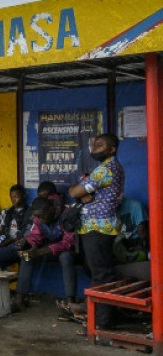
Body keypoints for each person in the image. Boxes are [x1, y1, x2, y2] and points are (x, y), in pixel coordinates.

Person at [69, 133, 125, 331]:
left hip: (99, 226)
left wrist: (81, 192)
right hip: (95, 226)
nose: (94, 148)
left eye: (100, 145)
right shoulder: (105, 168)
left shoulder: (106, 169)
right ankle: (101, 313)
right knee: (97, 272)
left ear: (112, 150)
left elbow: (74, 192)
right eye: (93, 144)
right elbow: (81, 192)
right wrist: (85, 192)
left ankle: (102, 322)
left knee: (101, 275)